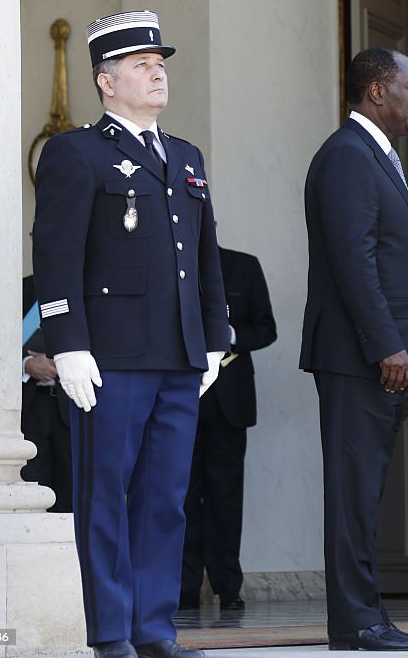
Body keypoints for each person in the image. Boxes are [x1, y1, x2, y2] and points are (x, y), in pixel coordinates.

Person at [32, 10, 228, 658]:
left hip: (177, 354)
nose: (157, 73)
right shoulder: (76, 151)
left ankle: (155, 627)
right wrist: (68, 341)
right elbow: (56, 252)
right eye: (142, 65)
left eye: (161, 64)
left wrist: (215, 338)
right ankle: (113, 631)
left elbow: (204, 256)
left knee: (166, 499)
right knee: (106, 497)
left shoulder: (187, 155)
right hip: (109, 356)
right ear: (105, 80)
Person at [300, 47, 408, 652]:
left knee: (366, 494)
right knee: (354, 495)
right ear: (377, 91)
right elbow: (354, 261)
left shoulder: (374, 157)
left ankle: (366, 617)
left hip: (379, 358)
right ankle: (357, 622)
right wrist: (388, 344)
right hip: (360, 358)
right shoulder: (347, 157)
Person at [180, 245, 277, 612]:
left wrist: (230, 334)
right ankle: (183, 586)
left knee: (225, 497)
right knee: (182, 495)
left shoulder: (243, 265)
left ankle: (226, 585)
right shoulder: (170, 260)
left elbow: (266, 328)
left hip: (229, 401)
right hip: (182, 394)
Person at [21, 274, 73, 513]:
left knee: (71, 492)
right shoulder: (20, 288)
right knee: (29, 485)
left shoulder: (88, 283)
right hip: (30, 407)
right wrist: (26, 363)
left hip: (74, 404)